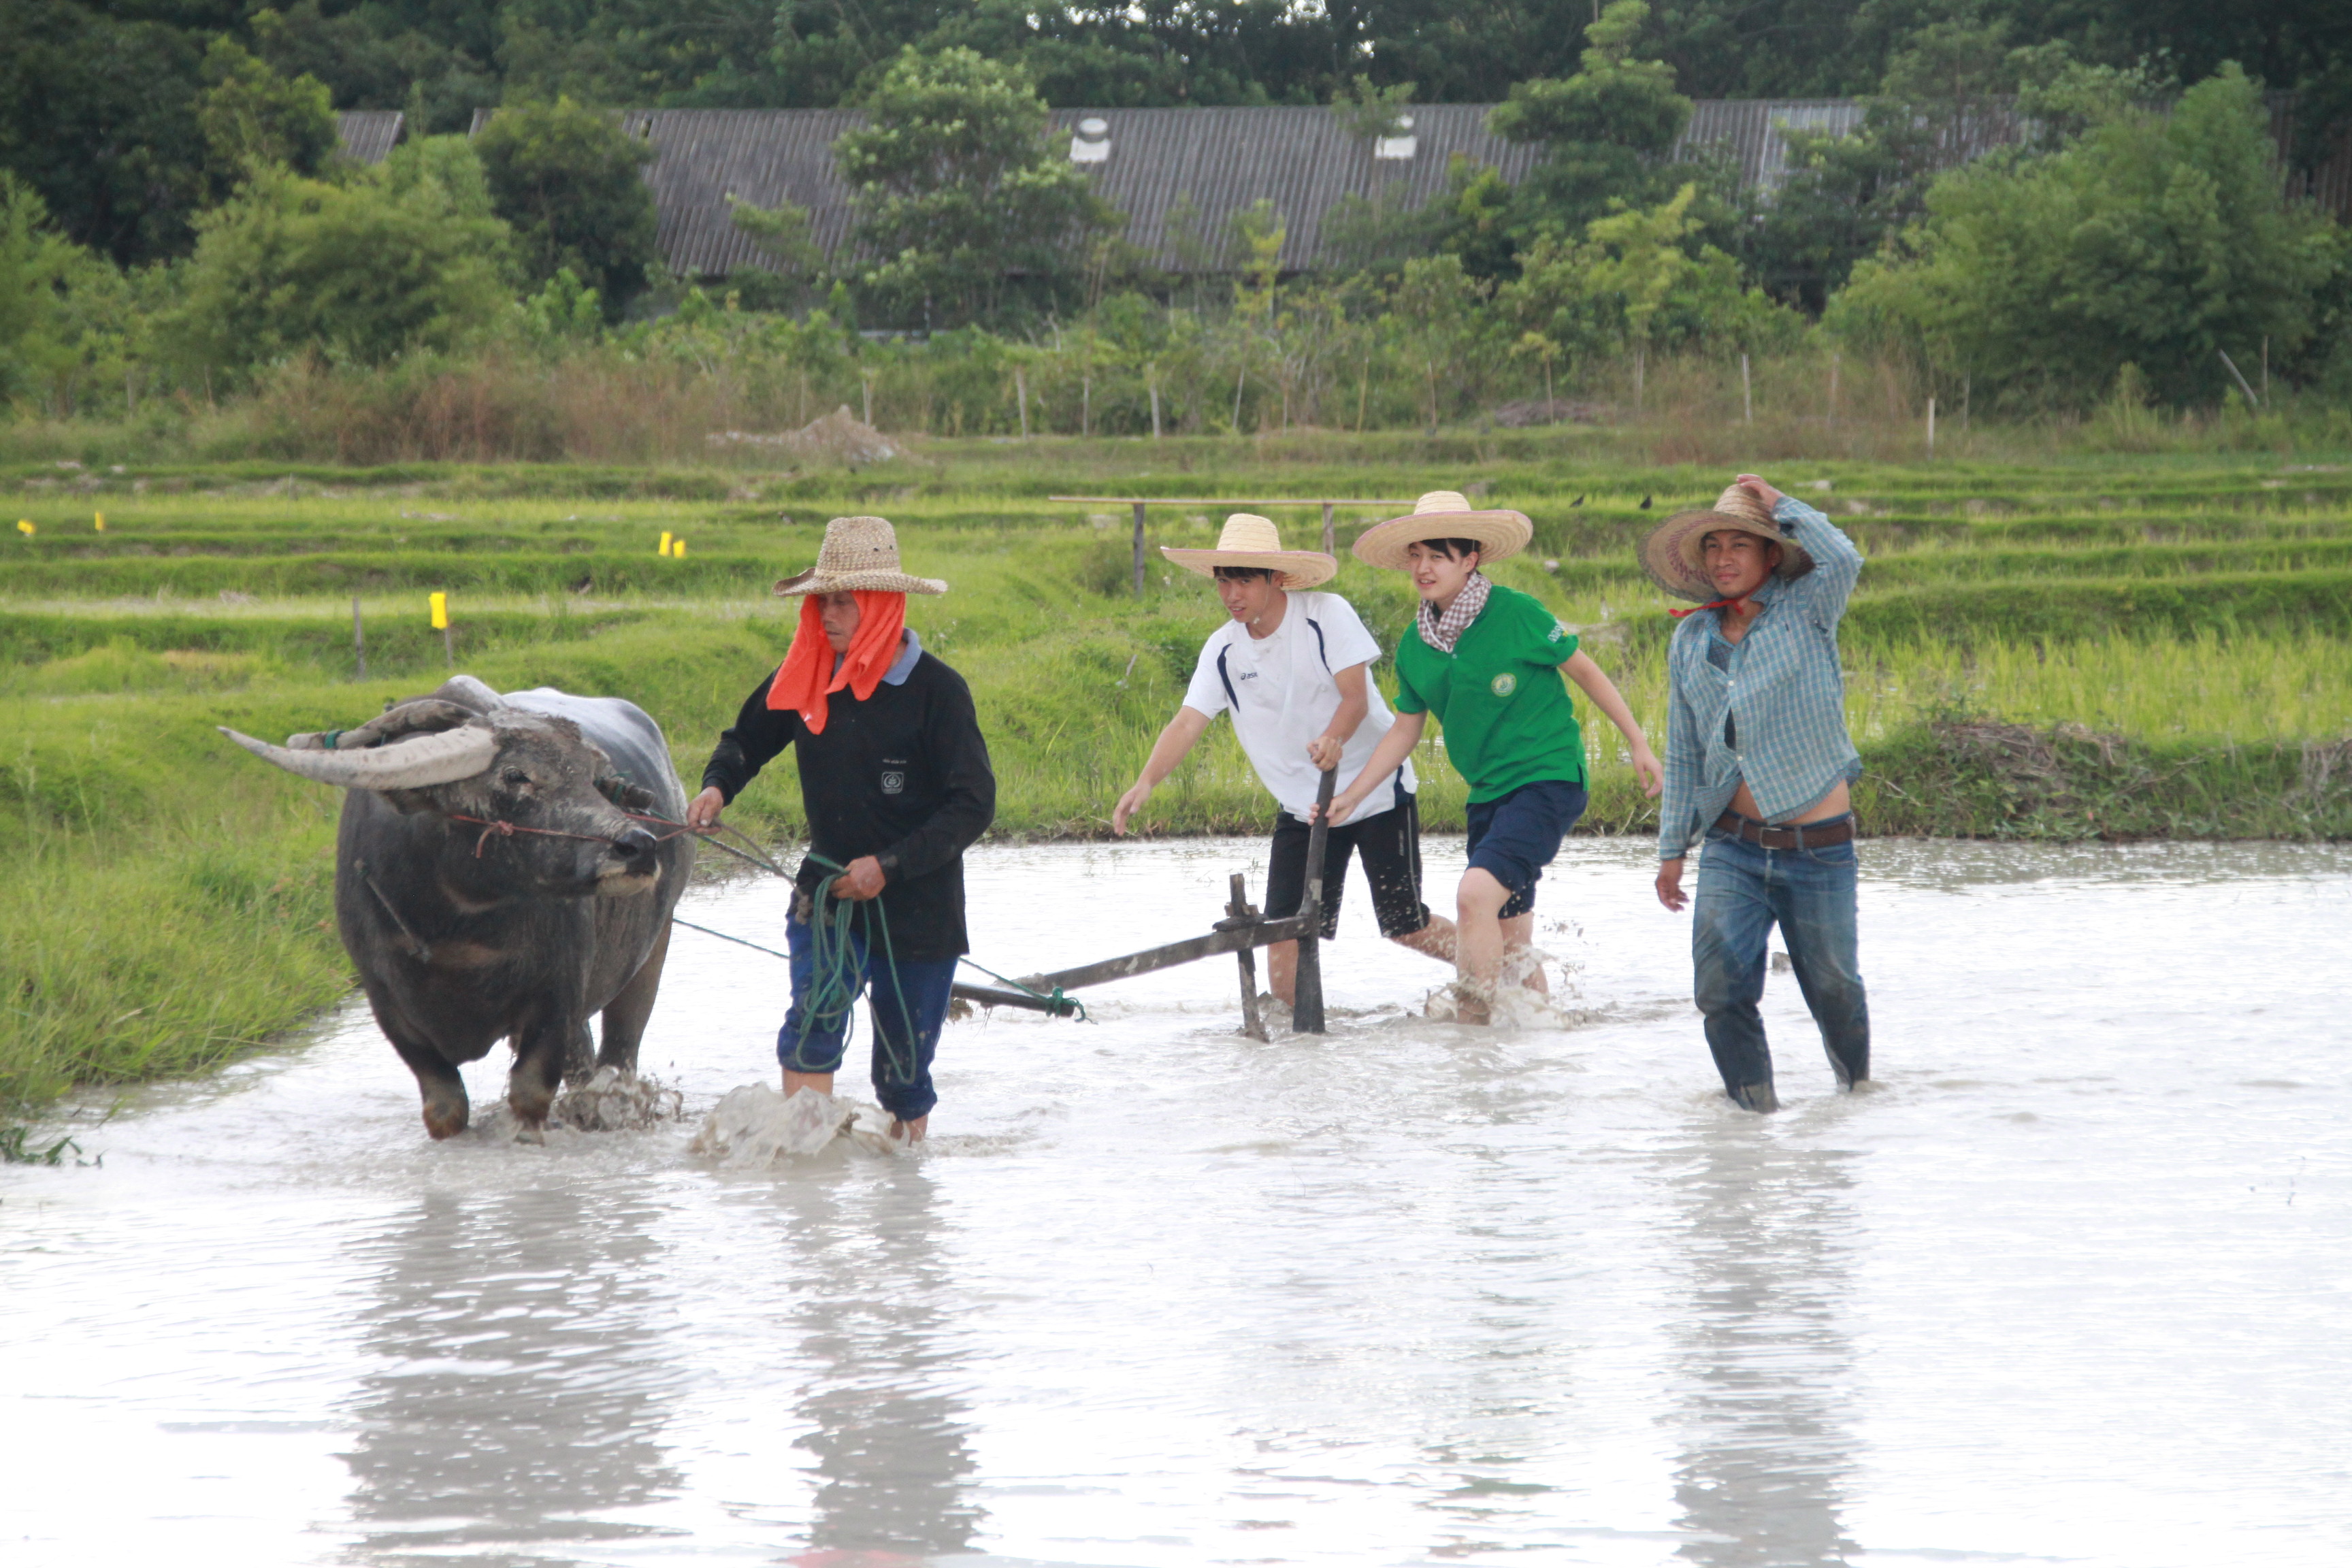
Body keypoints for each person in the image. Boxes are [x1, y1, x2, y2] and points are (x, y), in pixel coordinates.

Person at [685, 515, 994, 1141]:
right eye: (822, 601)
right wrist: (717, 786)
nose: (827, 615)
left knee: (903, 1073)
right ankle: (805, 1171)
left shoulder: (937, 692)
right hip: (828, 891)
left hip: (920, 905)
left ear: (880, 606)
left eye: (843, 602)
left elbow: (973, 803)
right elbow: (747, 739)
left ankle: (905, 1182)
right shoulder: (807, 672)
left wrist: (890, 866)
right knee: (814, 1020)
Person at [1330, 491, 1663, 1023]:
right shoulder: (1416, 645)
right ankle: (1543, 1030)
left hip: (1548, 779)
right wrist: (1352, 795)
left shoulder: (1516, 612)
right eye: (1416, 556)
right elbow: (1405, 731)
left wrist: (1638, 742)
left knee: (1473, 896)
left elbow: (1586, 671)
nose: (1423, 568)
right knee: (1512, 945)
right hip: (1488, 794)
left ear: (1470, 560)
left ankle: (1472, 1026)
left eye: (1437, 556)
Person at [1111, 512, 1453, 1001]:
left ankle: (1493, 966)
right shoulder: (1223, 650)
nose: (1232, 595)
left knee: (1405, 925)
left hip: (1374, 790)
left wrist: (1333, 738)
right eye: (1224, 582)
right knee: (1284, 933)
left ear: (1275, 578)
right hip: (1303, 807)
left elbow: (1355, 698)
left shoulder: (1325, 615)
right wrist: (1146, 781)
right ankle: (1298, 1036)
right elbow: (1187, 721)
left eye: (1245, 581)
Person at [1643, 475, 1870, 1112]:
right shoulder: (1691, 639)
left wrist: (1779, 503)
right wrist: (1671, 850)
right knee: (1719, 988)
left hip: (1818, 849)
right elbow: (1684, 748)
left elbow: (1844, 558)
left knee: (1834, 987)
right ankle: (1750, 1115)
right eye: (1713, 546)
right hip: (1732, 846)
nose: (1724, 558)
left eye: (1740, 544)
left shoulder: (1807, 609)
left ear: (1771, 554)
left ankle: (1856, 1097)